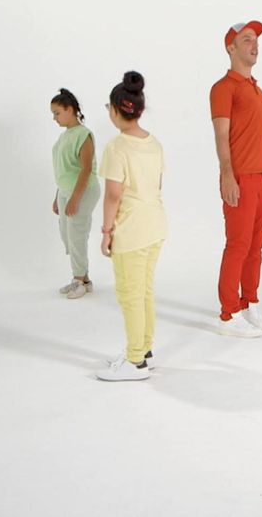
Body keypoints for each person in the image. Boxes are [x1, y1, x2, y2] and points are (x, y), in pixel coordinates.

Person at [95, 72, 167, 381]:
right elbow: (157, 185)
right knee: (144, 291)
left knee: (130, 294)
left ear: (115, 110)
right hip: (155, 226)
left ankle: (135, 361)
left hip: (131, 231)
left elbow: (113, 194)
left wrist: (106, 232)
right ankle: (144, 351)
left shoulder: (116, 147)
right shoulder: (154, 144)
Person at [209, 20, 262, 338]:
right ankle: (228, 315)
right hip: (241, 178)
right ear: (231, 47)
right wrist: (227, 175)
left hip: (261, 177)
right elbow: (221, 136)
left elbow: (260, 137)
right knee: (238, 245)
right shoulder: (224, 88)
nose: (255, 44)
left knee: (256, 247)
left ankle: (249, 301)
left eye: (256, 40)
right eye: (247, 39)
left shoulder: (257, 90)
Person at [50, 88, 100, 299]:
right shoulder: (63, 136)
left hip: (83, 190)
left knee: (76, 233)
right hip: (65, 191)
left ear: (70, 110)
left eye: (57, 113)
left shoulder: (83, 134)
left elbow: (85, 169)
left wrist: (75, 197)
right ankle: (84, 279)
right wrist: (58, 196)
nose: (54, 118)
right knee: (66, 233)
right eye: (53, 114)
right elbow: (65, 170)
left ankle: (78, 280)